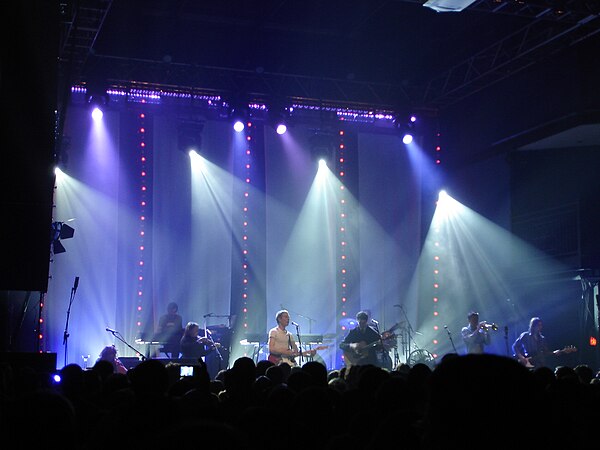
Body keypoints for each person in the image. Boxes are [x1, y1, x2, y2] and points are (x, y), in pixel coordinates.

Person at [512, 316, 577, 369]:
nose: (540, 327)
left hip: (539, 364)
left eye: (541, 325)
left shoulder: (542, 339)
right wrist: (521, 357)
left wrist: (559, 352)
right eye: (538, 325)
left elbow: (546, 352)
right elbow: (515, 346)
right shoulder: (525, 335)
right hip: (527, 362)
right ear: (533, 326)